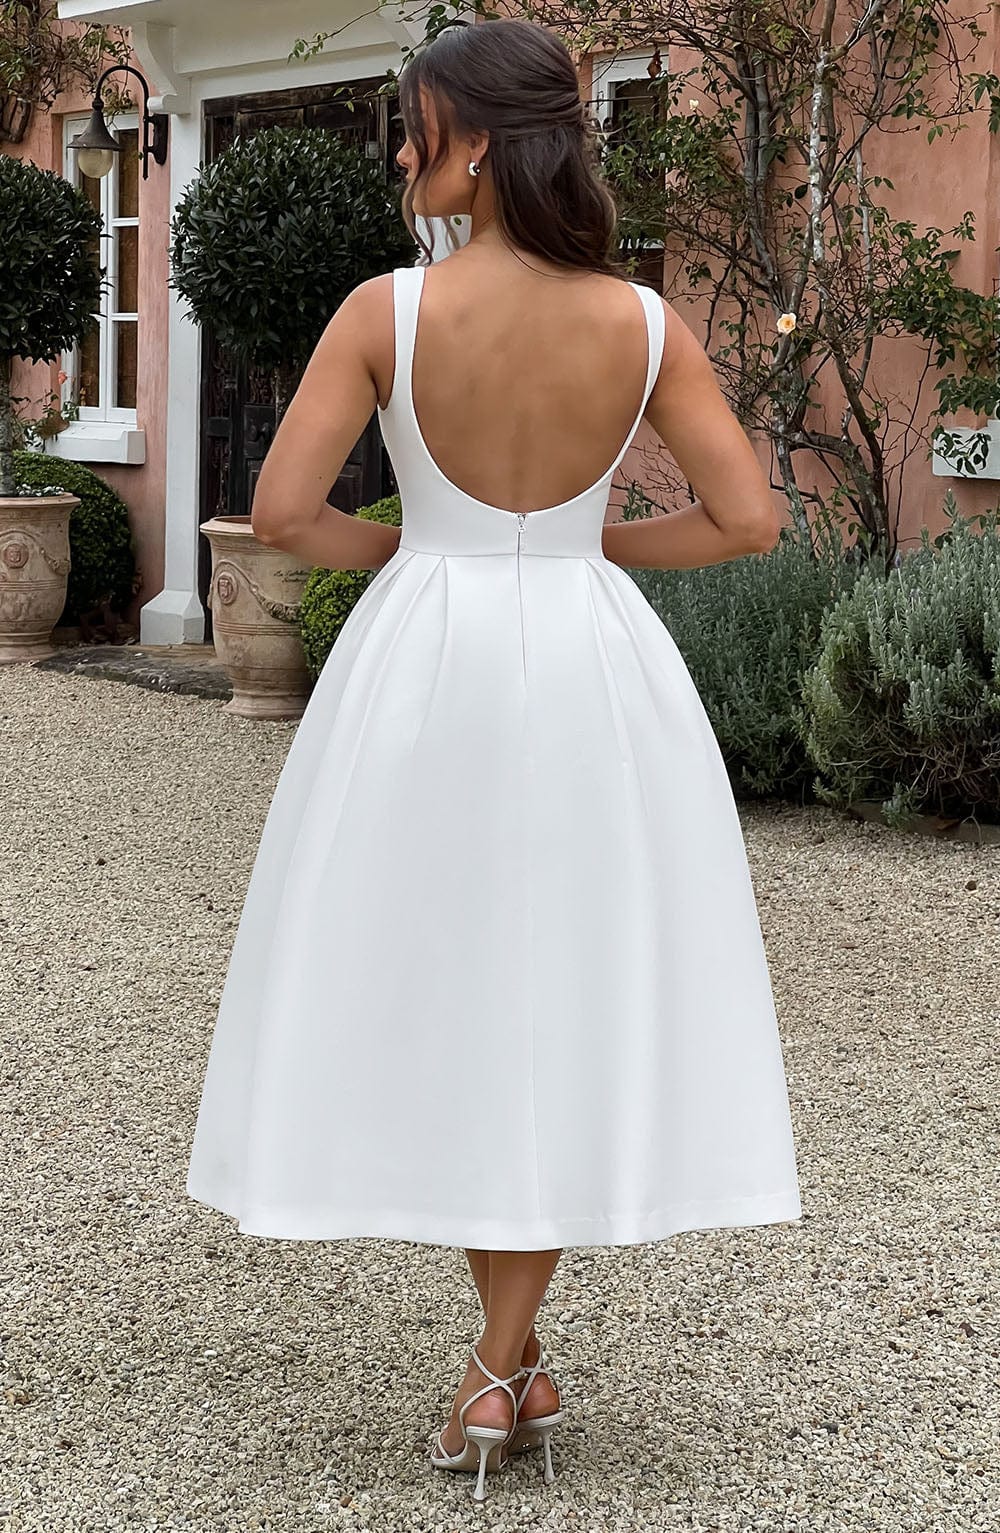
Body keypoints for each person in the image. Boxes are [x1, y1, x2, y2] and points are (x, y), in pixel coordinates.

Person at [185, 16, 802, 1504]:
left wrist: (416, 555)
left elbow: (283, 514)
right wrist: (591, 553)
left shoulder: (386, 313)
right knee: (558, 986)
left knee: (461, 983)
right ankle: (506, 1361)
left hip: (427, 667)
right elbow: (750, 521)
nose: (403, 154)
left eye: (415, 127)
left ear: (475, 141)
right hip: (592, 666)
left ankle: (499, 1365)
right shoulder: (641, 322)